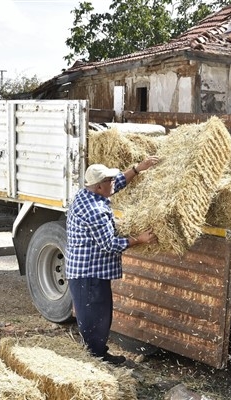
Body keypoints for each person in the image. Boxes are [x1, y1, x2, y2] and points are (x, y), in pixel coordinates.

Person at [65, 156, 159, 365]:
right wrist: (140, 239)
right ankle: (97, 360)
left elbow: (117, 184)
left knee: (98, 316)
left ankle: (97, 355)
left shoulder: (87, 194)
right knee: (96, 319)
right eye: (108, 180)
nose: (113, 182)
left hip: (85, 271)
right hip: (89, 274)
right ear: (98, 186)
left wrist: (137, 169)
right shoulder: (95, 211)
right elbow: (109, 244)